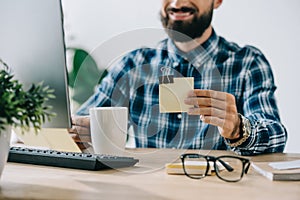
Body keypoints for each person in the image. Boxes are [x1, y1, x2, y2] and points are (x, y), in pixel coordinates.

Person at [69, 0, 287, 156]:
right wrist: (81, 133)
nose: (177, 2)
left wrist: (239, 128)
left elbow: (276, 136)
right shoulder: (134, 65)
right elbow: (81, 125)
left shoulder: (247, 63)